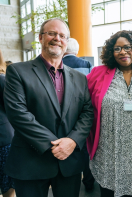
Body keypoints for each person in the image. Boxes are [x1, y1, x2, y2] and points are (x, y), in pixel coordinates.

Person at [3, 18, 94, 197]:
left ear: (66, 42)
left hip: (69, 163)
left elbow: (87, 112)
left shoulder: (79, 78)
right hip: (31, 161)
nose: (57, 38)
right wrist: (54, 145)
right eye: (51, 33)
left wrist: (72, 141)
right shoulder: (18, 71)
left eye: (62, 35)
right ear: (40, 38)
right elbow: (18, 113)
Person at [86, 30, 132, 197]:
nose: (123, 52)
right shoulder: (97, 74)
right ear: (111, 52)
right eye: (117, 49)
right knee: (108, 192)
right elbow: (84, 105)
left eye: (128, 47)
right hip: (108, 151)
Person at [63, 37, 95, 191]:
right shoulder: (87, 65)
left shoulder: (59, 64)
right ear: (76, 50)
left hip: (65, 114)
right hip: (84, 110)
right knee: (86, 148)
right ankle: (88, 183)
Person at [0, 49, 15, 197]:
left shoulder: (1, 79)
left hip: (3, 139)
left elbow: (12, 108)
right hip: (4, 138)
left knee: (7, 183)